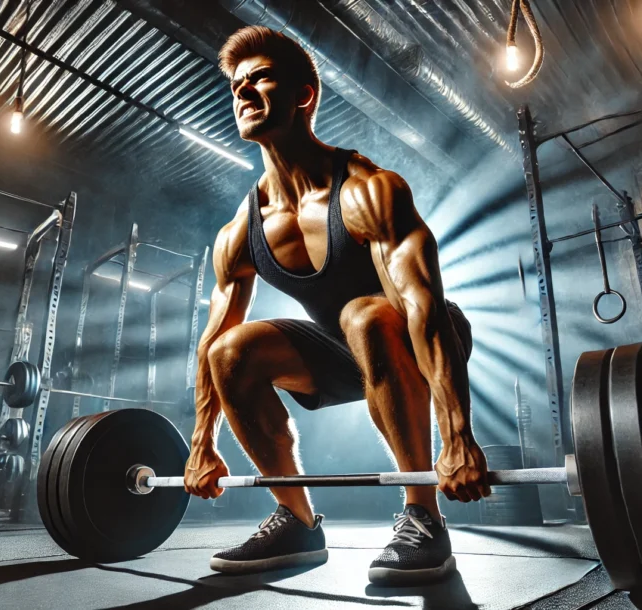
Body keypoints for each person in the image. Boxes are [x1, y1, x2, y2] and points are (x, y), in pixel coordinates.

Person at [184, 25, 490, 586]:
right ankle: (297, 522)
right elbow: (210, 338)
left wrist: (458, 437)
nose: (243, 93)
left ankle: (423, 516)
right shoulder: (240, 230)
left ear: (303, 95)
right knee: (229, 351)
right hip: (340, 352)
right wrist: (200, 444)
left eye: (261, 80)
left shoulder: (368, 190)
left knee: (366, 314)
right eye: (236, 86)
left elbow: (420, 305)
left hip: (426, 334)